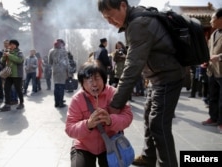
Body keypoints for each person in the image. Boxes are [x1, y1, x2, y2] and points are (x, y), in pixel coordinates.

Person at [98, 1, 186, 167]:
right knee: (148, 116)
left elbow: (132, 68)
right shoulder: (135, 19)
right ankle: (148, 156)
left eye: (110, 15)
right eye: (106, 18)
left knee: (159, 124)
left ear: (123, 5)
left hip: (168, 76)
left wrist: (115, 105)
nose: (109, 21)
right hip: (157, 76)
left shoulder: (138, 24)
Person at [65, 61, 133, 167]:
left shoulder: (114, 94)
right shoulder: (77, 99)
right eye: (89, 80)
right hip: (84, 146)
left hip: (111, 144)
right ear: (82, 82)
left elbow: (128, 116)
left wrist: (111, 120)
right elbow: (69, 128)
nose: (94, 84)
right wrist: (87, 125)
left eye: (97, 78)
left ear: (104, 79)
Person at [202, 8, 222, 134]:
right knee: (212, 96)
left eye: (213, 18)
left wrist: (219, 57)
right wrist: (206, 61)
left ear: (220, 19)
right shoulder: (214, 33)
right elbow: (210, 51)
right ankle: (213, 117)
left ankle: (221, 122)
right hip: (212, 71)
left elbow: (217, 54)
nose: (210, 21)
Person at [0, 39, 24, 112]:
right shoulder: (7, 52)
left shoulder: (20, 52)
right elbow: (1, 61)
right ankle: (7, 105)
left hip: (17, 75)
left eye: (13, 44)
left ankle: (21, 103)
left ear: (16, 45)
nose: (11, 46)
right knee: (6, 89)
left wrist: (9, 55)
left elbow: (19, 60)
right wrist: (4, 56)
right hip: (9, 74)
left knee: (18, 89)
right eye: (10, 44)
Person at [48, 39, 69, 108]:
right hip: (62, 71)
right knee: (62, 87)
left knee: (56, 87)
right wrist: (68, 72)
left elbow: (49, 62)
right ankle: (61, 103)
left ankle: (56, 103)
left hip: (55, 70)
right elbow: (66, 63)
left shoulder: (51, 51)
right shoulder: (64, 51)